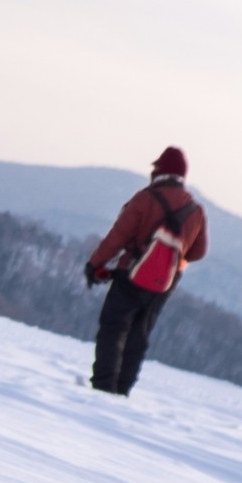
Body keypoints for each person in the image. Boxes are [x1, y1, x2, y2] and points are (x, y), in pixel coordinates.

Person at [84, 147, 208, 394]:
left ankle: (103, 386)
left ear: (161, 171)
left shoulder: (146, 199)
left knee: (113, 328)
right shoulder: (195, 211)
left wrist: (95, 264)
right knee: (139, 336)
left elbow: (117, 237)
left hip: (130, 275)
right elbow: (198, 252)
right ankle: (123, 388)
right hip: (163, 283)